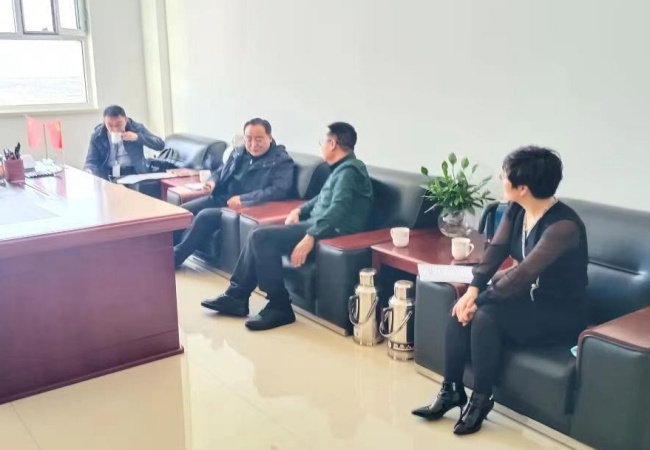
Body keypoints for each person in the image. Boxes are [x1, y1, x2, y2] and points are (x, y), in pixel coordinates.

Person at [411, 146, 588, 435]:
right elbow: (496, 251)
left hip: (559, 312)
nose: (500, 179)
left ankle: (481, 400)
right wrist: (472, 290)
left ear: (523, 187)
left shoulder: (563, 226)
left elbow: (523, 274)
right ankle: (451, 390)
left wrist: (478, 301)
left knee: (482, 316)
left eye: (504, 175)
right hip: (526, 300)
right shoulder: (517, 209)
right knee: (460, 307)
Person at [201, 122, 374, 331]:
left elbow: (338, 209)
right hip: (319, 225)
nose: (321, 147)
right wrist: (299, 210)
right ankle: (236, 296)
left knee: (261, 237)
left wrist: (311, 235)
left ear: (332, 144)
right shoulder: (342, 169)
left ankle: (279, 306)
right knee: (257, 233)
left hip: (334, 232)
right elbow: (322, 197)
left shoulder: (350, 171)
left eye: (322, 142)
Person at [173, 118, 294, 267]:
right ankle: (163, 250)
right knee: (180, 212)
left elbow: (279, 190)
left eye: (259, 139)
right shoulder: (238, 152)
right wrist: (212, 182)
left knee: (205, 215)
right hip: (222, 198)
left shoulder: (281, 161)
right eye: (249, 139)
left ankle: (175, 258)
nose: (253, 144)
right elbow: (220, 171)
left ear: (270, 137)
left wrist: (243, 199)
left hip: (245, 207)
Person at [83, 105, 165, 179]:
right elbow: (91, 161)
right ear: (104, 122)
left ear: (126, 119)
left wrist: (137, 137)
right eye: (110, 125)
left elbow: (160, 144)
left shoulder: (135, 128)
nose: (115, 129)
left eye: (118, 124)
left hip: (134, 173)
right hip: (107, 175)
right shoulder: (98, 136)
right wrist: (89, 171)